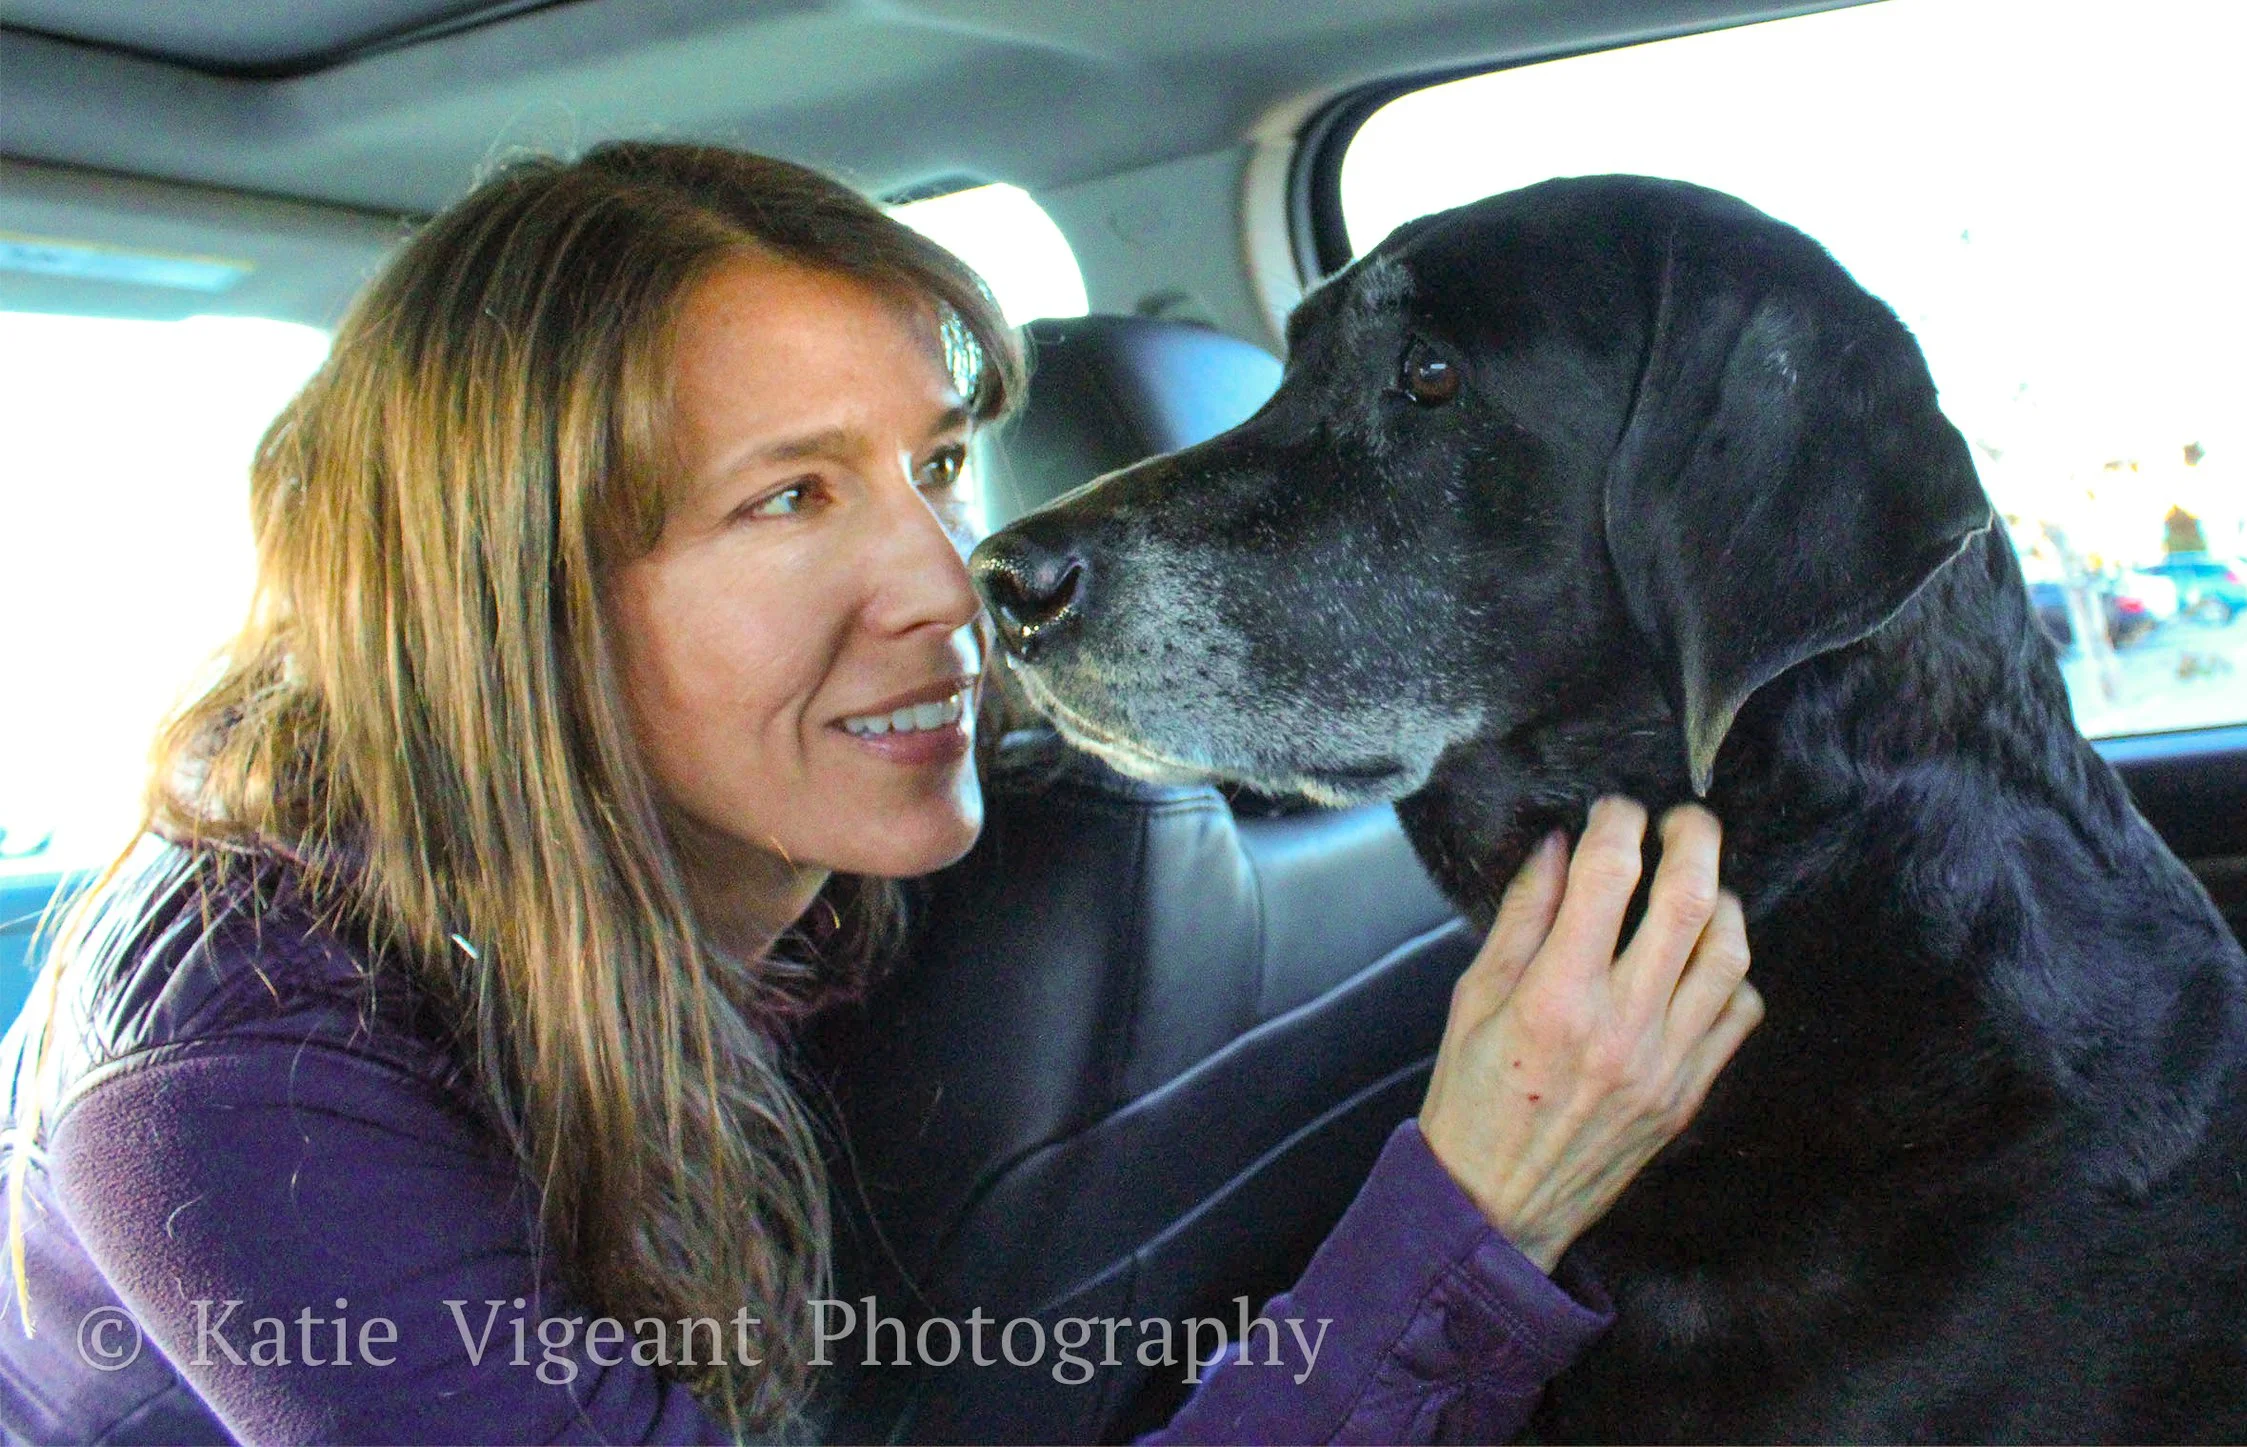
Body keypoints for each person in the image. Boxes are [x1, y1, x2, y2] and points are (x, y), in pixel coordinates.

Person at [0, 142, 1763, 1445]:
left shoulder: (896, 812)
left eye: (932, 464)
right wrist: (1472, 1215)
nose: (945, 579)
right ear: (507, 599)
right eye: (788, 499)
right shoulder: (235, 1086)